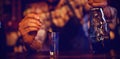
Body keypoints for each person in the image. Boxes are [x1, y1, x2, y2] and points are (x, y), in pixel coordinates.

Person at [19, 0, 112, 53]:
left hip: (83, 54)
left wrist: (105, 9)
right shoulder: (34, 11)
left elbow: (108, 12)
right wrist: (29, 42)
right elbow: (37, 44)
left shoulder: (76, 2)